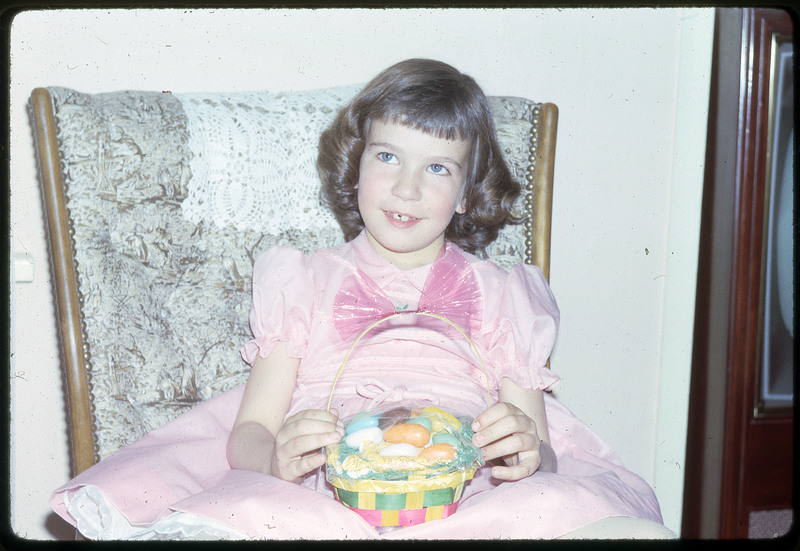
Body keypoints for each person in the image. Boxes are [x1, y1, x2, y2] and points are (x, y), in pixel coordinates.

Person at [224, 59, 672, 539]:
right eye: (388, 157)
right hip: (328, 498)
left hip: (467, 502)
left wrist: (527, 453)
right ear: (356, 165)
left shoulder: (501, 295)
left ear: (464, 194)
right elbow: (249, 431)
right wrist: (274, 459)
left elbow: (540, 446)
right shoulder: (303, 282)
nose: (407, 187)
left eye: (437, 168)